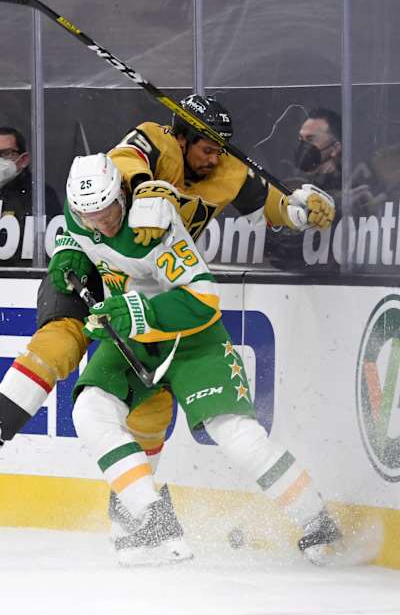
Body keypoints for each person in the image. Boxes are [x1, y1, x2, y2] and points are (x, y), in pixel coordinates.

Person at [0, 96, 335, 541]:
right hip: (104, 271)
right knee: (61, 348)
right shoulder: (150, 147)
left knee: (161, 418)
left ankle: (143, 517)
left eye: (220, 149)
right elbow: (122, 164)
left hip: (160, 282)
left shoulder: (218, 176)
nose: (214, 157)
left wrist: (299, 210)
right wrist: (140, 193)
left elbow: (267, 206)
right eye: (207, 147)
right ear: (183, 136)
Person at [57, 152, 341, 566]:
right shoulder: (79, 212)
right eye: (89, 217)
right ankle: (152, 517)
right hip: (133, 337)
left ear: (122, 192)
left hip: (192, 339)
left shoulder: (151, 224)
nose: (100, 223)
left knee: (236, 436)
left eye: (108, 210)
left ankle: (317, 520)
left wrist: (138, 312)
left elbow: (204, 299)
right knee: (88, 411)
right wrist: (67, 254)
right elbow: (78, 233)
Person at [0, 126, 62, 265]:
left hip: (24, 278)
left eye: (5, 153)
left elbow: (52, 247)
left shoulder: (41, 195)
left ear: (24, 159)